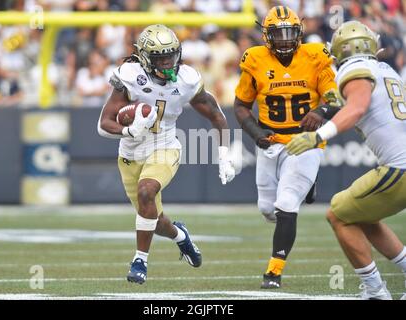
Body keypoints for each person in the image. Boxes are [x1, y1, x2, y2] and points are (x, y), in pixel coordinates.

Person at [97, 24, 235, 284]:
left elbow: (216, 115)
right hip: (129, 154)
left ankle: (140, 261)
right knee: (155, 220)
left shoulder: (186, 80)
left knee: (147, 191)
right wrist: (129, 132)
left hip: (165, 146)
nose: (168, 62)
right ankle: (181, 236)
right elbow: (103, 124)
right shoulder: (130, 76)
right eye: (161, 57)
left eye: (171, 55)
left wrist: (225, 153)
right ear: (146, 58)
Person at [286, 20, 406, 300]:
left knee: (338, 213)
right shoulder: (387, 70)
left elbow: (357, 106)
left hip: (400, 167)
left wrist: (319, 136)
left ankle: (375, 290)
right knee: (362, 214)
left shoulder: (354, 69)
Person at [233, 6, 342, 289]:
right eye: (277, 34)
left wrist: (321, 111)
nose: (283, 39)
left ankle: (273, 272)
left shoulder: (316, 56)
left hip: (304, 142)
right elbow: (241, 106)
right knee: (267, 209)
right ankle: (308, 185)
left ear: (299, 32)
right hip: (271, 142)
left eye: (288, 33)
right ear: (266, 36)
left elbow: (335, 97)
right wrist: (256, 133)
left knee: (286, 203)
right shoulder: (254, 59)